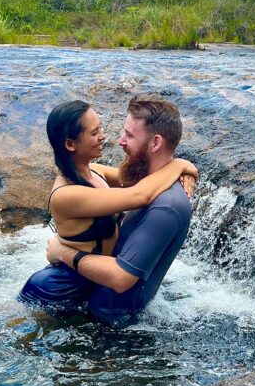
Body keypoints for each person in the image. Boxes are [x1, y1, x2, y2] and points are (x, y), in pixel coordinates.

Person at [19, 98, 196, 313]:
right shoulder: (66, 194)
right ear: (70, 144)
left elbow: (139, 179)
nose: (103, 136)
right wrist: (179, 164)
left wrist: (185, 168)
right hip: (55, 288)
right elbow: (139, 194)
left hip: (85, 283)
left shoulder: (96, 172)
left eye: (100, 128)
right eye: (94, 133)